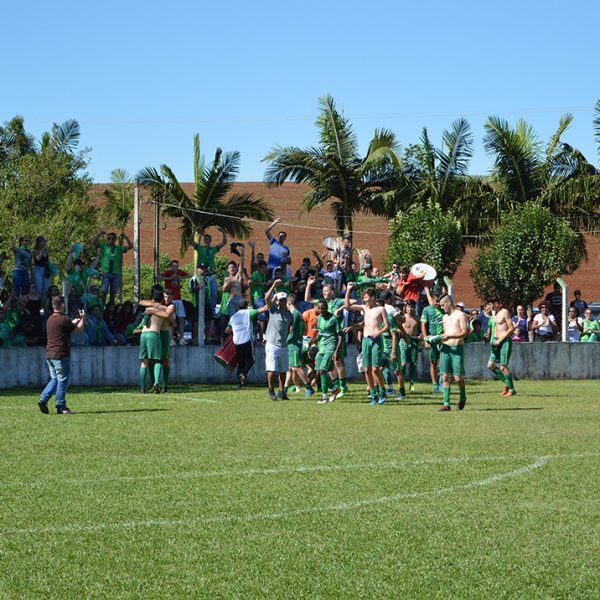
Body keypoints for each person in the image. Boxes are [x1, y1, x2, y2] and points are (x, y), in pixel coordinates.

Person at [38, 295, 86, 414]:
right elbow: (78, 330)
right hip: (61, 354)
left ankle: (43, 399)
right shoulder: (63, 320)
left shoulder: (50, 319)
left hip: (50, 354)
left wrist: (74, 321)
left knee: (55, 378)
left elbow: (66, 326)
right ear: (62, 305)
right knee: (63, 380)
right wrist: (83, 318)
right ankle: (61, 406)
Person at [345, 283, 390, 405]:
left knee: (375, 369)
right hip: (366, 340)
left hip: (376, 340)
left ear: (372, 297)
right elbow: (347, 306)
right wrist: (348, 291)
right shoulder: (365, 308)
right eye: (363, 298)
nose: (364, 300)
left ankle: (382, 391)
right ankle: (373, 393)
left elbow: (387, 326)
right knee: (367, 369)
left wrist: (378, 333)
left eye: (365, 297)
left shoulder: (380, 309)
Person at [305, 275, 349, 397]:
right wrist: (309, 284)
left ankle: (343, 386)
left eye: (326, 291)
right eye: (323, 291)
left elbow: (350, 303)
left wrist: (340, 308)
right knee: (328, 366)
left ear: (332, 291)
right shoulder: (322, 303)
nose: (324, 293)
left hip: (335, 336)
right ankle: (335, 385)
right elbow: (307, 298)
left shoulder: (337, 301)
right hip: (324, 339)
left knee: (337, 362)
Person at [436, 295, 469, 411]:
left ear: (449, 303)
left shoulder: (461, 315)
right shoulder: (444, 317)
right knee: (445, 376)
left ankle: (463, 397)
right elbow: (445, 333)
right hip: (445, 348)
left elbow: (465, 333)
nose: (442, 308)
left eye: (442, 305)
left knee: (458, 377)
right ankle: (446, 403)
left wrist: (450, 336)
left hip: (457, 348)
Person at [227, 297, 269, 387]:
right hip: (246, 340)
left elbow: (227, 330)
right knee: (251, 361)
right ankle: (244, 374)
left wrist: (235, 331)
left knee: (240, 362)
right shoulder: (249, 312)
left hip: (237, 342)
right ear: (246, 306)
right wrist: (272, 301)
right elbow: (265, 308)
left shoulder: (233, 317)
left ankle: (240, 382)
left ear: (238, 306)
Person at [264, 280, 293, 400]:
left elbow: (291, 325)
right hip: (272, 343)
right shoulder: (273, 310)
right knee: (271, 369)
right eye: (281, 300)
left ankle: (281, 391)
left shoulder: (288, 314)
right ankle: (271, 390)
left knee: (282, 370)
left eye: (284, 299)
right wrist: (274, 286)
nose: (283, 301)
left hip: (283, 344)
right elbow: (266, 298)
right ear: (277, 301)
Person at [135, 290, 169, 393]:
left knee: (144, 362)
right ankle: (156, 382)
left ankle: (142, 388)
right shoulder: (164, 308)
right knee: (157, 360)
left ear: (152, 299)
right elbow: (168, 315)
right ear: (162, 299)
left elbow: (141, 304)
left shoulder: (147, 308)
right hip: (154, 334)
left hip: (144, 334)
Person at [189, 227, 227, 313]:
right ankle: (200, 309)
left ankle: (212, 311)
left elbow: (224, 242)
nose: (206, 240)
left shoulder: (213, 249)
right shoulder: (199, 248)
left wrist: (223, 232)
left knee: (213, 294)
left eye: (207, 239)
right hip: (201, 276)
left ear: (210, 241)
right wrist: (195, 231)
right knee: (202, 293)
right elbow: (190, 241)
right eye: (205, 239)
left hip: (211, 275)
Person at [284, 294, 315, 397]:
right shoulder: (300, 314)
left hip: (294, 344)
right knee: (290, 368)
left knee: (296, 367)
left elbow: (290, 328)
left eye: (286, 304)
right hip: (297, 342)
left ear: (289, 303)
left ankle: (309, 387)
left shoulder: (293, 314)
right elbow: (305, 329)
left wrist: (288, 334)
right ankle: (284, 390)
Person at [313, 299, 343, 404]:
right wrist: (313, 342)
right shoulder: (319, 318)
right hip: (321, 348)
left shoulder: (334, 319)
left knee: (322, 370)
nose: (321, 310)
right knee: (318, 372)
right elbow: (320, 333)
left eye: (323, 308)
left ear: (326, 308)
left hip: (330, 347)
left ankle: (324, 397)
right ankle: (335, 389)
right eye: (319, 308)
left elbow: (340, 335)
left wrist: (336, 351)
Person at [93, 230, 133, 306]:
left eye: (113, 238)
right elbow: (93, 242)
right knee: (104, 292)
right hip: (106, 273)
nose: (111, 240)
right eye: (109, 238)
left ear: (115, 240)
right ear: (107, 239)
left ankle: (110, 308)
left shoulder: (118, 248)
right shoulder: (103, 247)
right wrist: (99, 234)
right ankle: (102, 306)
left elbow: (130, 246)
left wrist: (125, 237)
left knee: (113, 293)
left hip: (115, 274)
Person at [486, 298, 517, 397]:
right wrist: (491, 338)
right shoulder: (494, 313)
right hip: (495, 342)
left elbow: (511, 328)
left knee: (503, 367)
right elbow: (494, 327)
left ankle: (512, 390)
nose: (491, 306)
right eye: (490, 304)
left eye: (493, 303)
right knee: (490, 365)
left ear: (499, 304)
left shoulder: (505, 312)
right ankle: (507, 384)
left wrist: (500, 340)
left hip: (504, 342)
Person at [159, 259, 190, 345]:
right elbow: (158, 277)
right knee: (171, 319)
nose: (175, 268)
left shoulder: (179, 272)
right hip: (170, 300)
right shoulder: (168, 273)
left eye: (176, 266)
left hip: (178, 299)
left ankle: (182, 338)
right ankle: (171, 338)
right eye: (173, 266)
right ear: (171, 267)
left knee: (181, 318)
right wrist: (168, 278)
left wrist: (181, 278)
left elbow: (189, 275)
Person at [421, 288, 444, 393]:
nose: (437, 303)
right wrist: (426, 339)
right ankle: (435, 385)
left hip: (443, 339)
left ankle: (442, 382)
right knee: (433, 362)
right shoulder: (427, 310)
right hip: (432, 340)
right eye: (436, 301)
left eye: (439, 301)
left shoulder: (444, 310)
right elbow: (423, 325)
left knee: (443, 363)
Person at [399, 300, 420, 393]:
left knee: (413, 364)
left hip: (414, 341)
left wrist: (421, 336)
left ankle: (412, 383)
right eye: (408, 307)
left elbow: (421, 329)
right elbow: (397, 328)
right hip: (403, 341)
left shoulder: (417, 318)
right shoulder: (402, 317)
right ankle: (401, 383)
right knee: (403, 364)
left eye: (412, 307)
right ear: (405, 308)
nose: (410, 309)